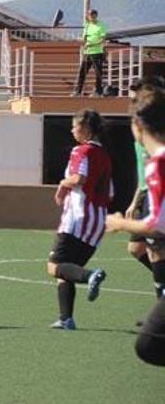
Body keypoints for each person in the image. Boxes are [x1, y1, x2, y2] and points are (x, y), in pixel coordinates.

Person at [106, 84, 165, 365]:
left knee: (148, 346)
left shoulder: (158, 164)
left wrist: (119, 223)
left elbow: (157, 224)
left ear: (138, 125)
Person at [47, 109, 112, 330]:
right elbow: (110, 192)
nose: (72, 130)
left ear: (85, 129)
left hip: (77, 218)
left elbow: (79, 178)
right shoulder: (105, 156)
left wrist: (63, 184)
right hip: (97, 222)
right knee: (67, 269)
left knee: (53, 266)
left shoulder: (81, 150)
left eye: (75, 126)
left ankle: (91, 275)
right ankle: (66, 318)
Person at [72, 9, 107, 97]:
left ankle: (98, 92)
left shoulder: (101, 25)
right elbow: (84, 39)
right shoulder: (87, 26)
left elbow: (102, 39)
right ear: (88, 16)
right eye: (90, 15)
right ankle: (78, 92)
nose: (92, 16)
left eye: (93, 15)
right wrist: (78, 40)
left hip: (97, 52)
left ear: (96, 15)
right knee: (82, 72)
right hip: (87, 53)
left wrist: (91, 44)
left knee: (98, 73)